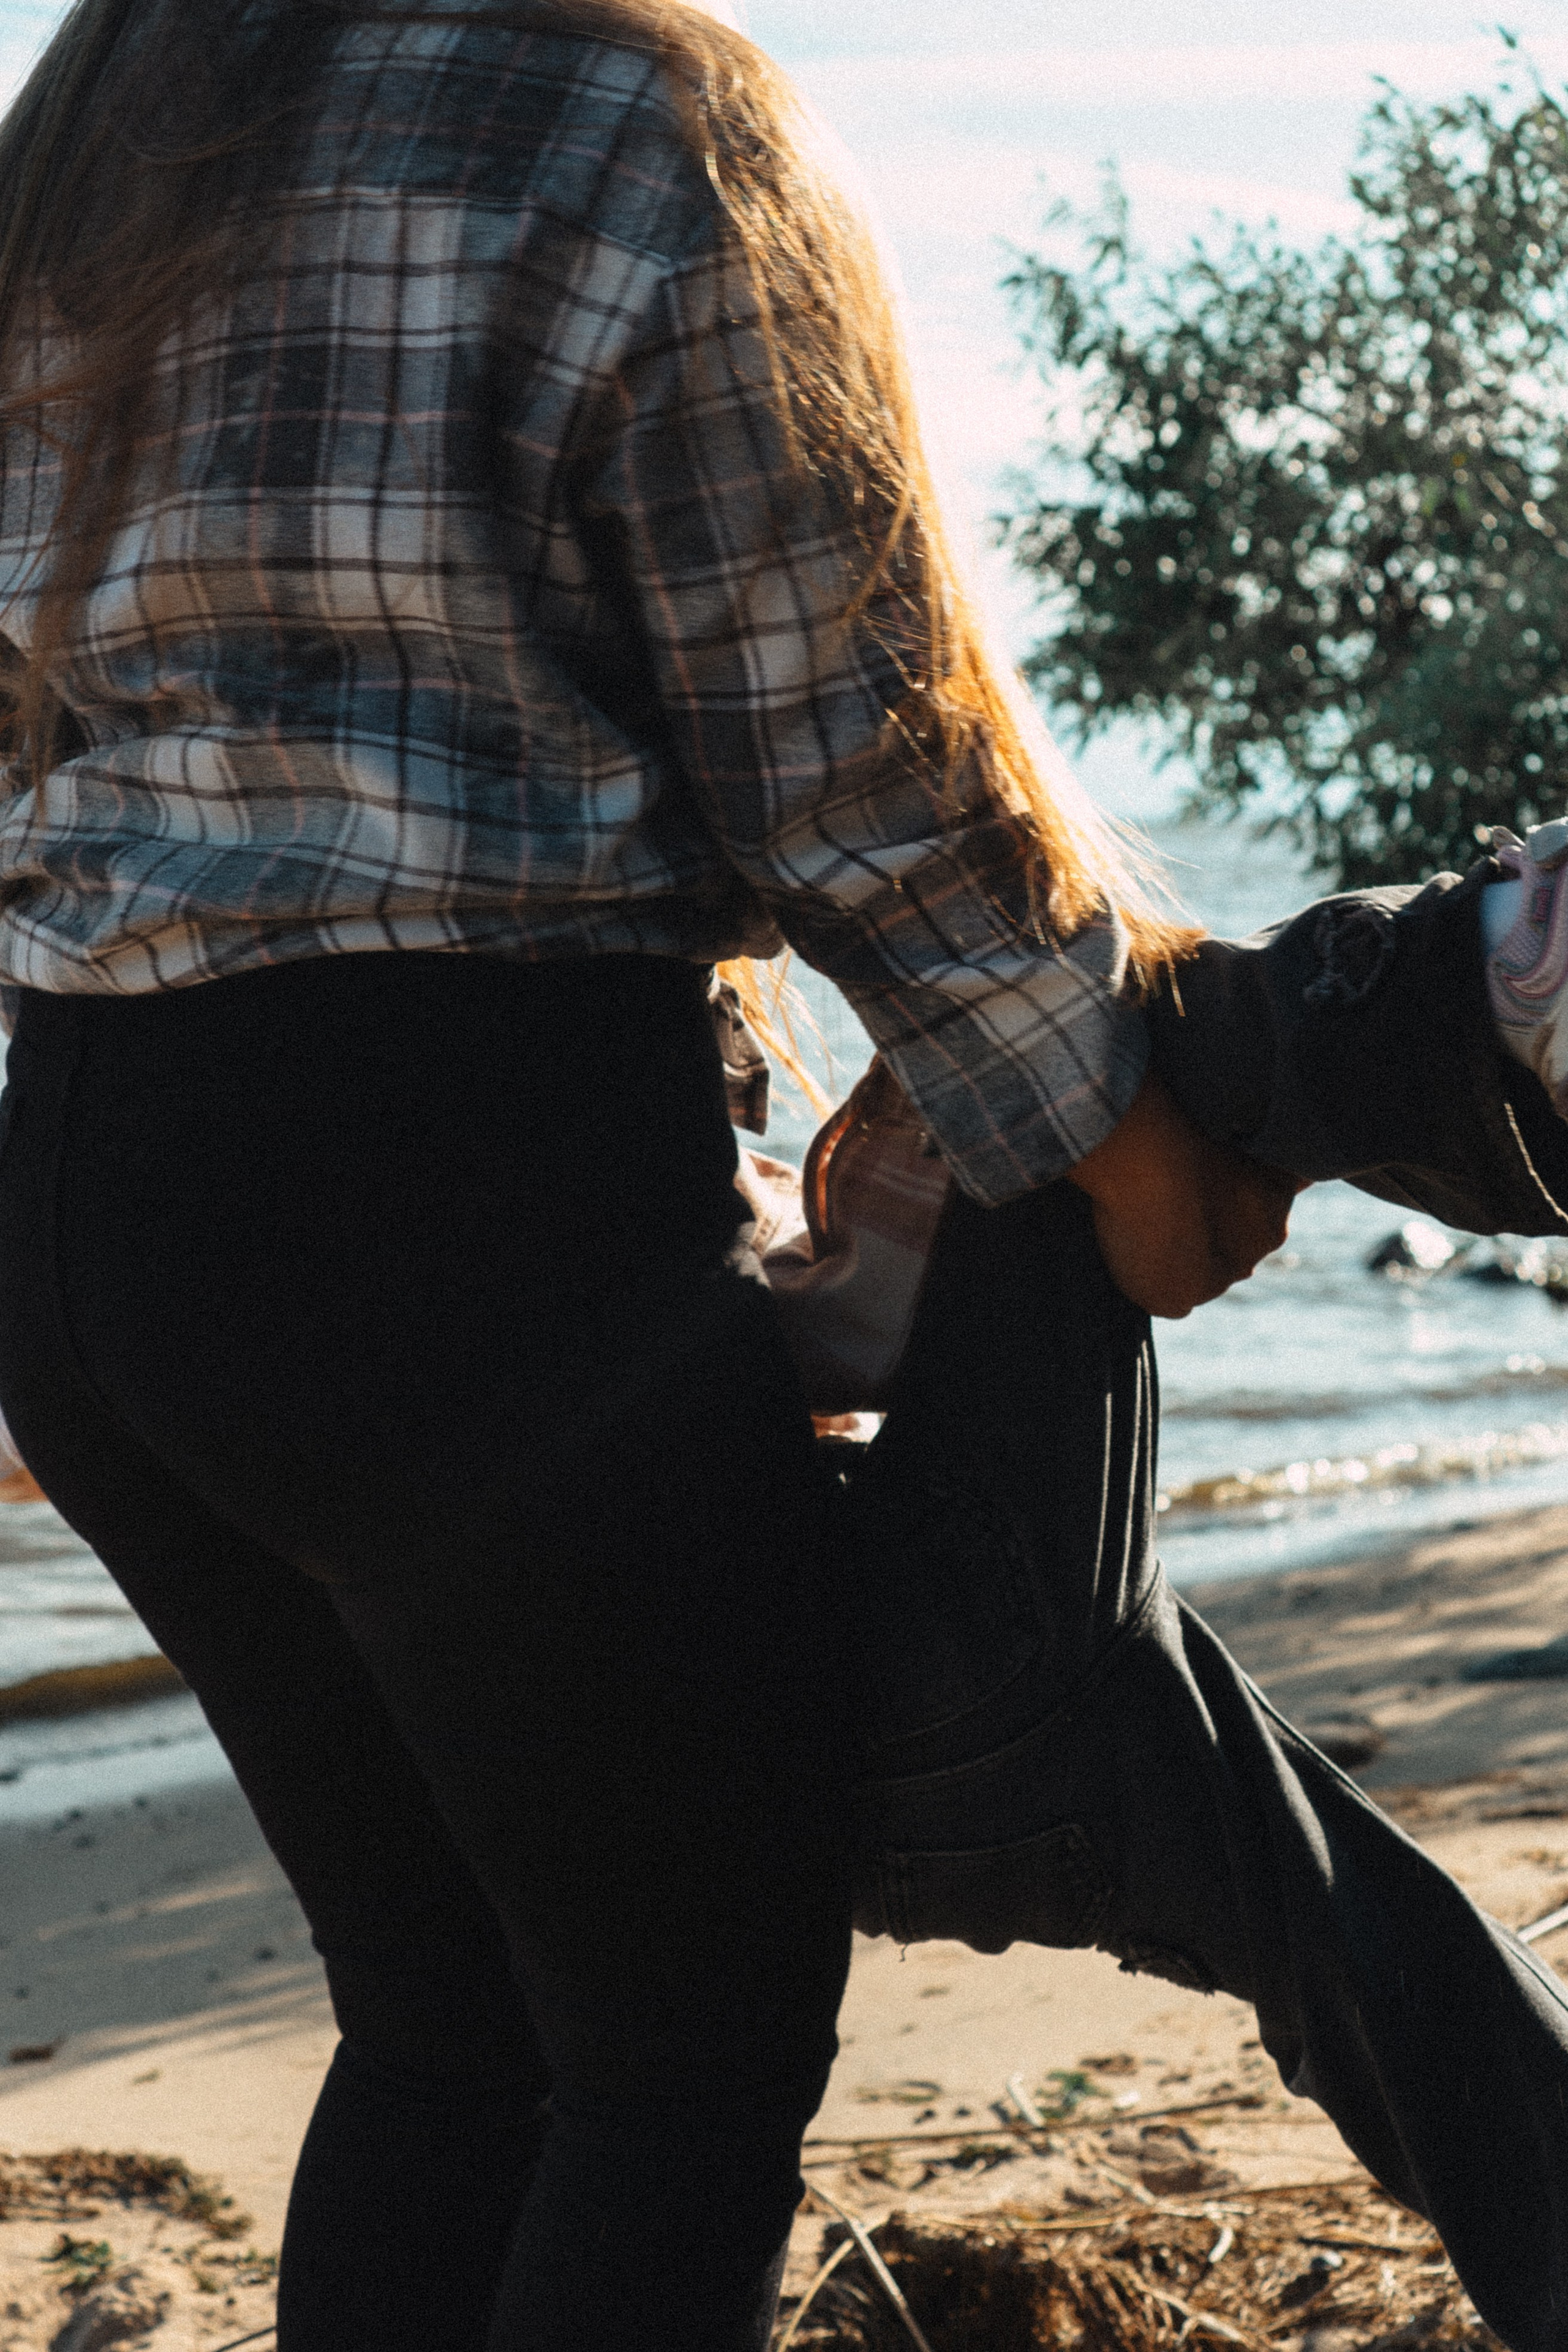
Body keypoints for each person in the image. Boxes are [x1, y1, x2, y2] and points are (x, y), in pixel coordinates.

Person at [0, 3, 1564, 2348]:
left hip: (90, 1203)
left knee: (451, 2030)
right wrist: (1115, 1143)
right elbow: (873, 781)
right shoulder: (631, 111)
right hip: (460, 1212)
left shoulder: (102, 122)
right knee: (675, 2072)